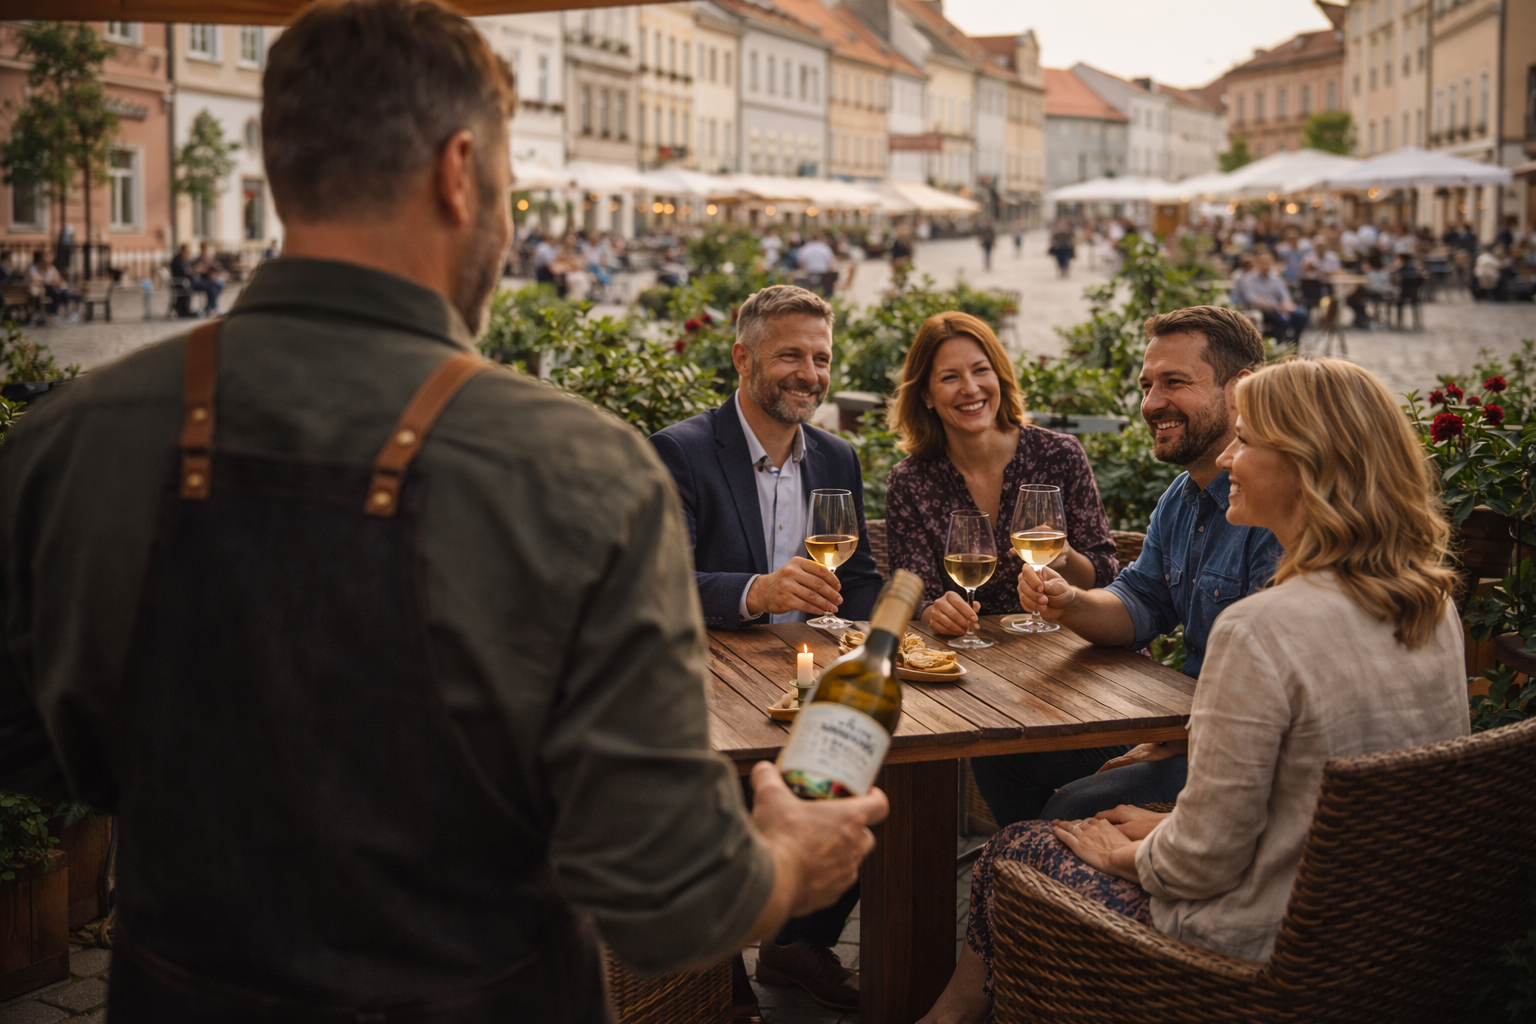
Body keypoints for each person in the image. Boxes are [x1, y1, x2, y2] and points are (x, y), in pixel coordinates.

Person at [0, 4, 888, 1020]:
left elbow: (22, 743)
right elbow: (668, 903)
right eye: (509, 189)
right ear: (460, 171)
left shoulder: (68, 436)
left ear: (281, 164)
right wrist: (789, 857)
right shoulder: (580, 471)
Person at [917, 357, 1469, 1024]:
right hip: (1380, 938)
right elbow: (1308, 798)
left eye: (1247, 440)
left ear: (1308, 464)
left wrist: (1126, 853)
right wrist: (1164, 827)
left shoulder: (1262, 629)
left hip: (1256, 951)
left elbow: (1200, 866)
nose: (1229, 457)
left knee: (1015, 854)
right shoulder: (1432, 607)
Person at [649, 283, 884, 1013]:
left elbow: (861, 580)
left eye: (821, 359)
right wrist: (758, 591)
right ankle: (715, 978)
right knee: (712, 799)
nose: (809, 374)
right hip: (710, 689)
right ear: (742, 359)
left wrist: (880, 631)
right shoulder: (681, 451)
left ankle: (797, 945)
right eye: (790, 356)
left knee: (881, 783)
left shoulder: (837, 457)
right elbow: (659, 583)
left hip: (804, 683)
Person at [973, 306, 1284, 828]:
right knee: (1000, 754)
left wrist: (1175, 743)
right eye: (1146, 386)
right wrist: (1069, 602)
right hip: (1177, 724)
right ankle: (1033, 867)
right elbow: (1139, 601)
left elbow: (1272, 691)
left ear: (1241, 389)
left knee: (1073, 808)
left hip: (1238, 746)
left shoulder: (1274, 504)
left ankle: (1057, 862)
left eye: (1174, 382)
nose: (1151, 403)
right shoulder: (1181, 497)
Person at [883, 312, 1117, 637]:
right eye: (950, 377)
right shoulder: (910, 481)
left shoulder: (1060, 454)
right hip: (970, 655)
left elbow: (1107, 575)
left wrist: (1066, 557)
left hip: (1069, 648)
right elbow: (917, 595)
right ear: (926, 394)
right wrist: (936, 612)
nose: (970, 388)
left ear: (999, 375)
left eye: (981, 370)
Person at [1237, 251, 1308, 343]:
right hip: (1262, 309)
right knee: (1283, 320)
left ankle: (1294, 341)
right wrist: (1275, 307)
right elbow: (1252, 299)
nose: (1265, 265)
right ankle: (1278, 344)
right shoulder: (1249, 279)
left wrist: (1286, 304)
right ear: (1257, 263)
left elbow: (1284, 295)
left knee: (1301, 315)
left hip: (1279, 307)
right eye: (1263, 262)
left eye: (1268, 262)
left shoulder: (1276, 278)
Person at [193, 241, 228, 315]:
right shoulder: (199, 259)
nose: (207, 251)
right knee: (212, 287)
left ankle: (211, 305)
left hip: (211, 279)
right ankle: (213, 307)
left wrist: (215, 267)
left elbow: (218, 268)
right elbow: (200, 271)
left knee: (220, 284)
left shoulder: (210, 258)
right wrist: (207, 265)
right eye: (205, 249)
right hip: (203, 280)